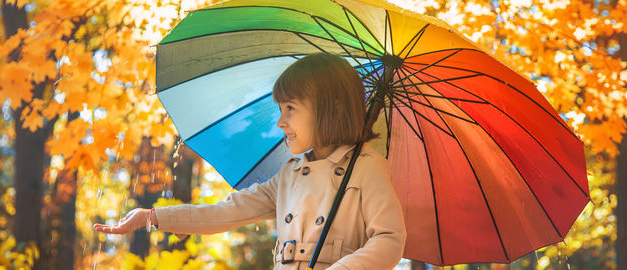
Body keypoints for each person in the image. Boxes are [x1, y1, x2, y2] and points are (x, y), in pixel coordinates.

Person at [94, 52, 406, 269]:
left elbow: (389, 239)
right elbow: (226, 212)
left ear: (332, 107)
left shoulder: (367, 166)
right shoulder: (290, 174)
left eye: (291, 109)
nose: (280, 122)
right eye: (280, 110)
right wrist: (152, 217)